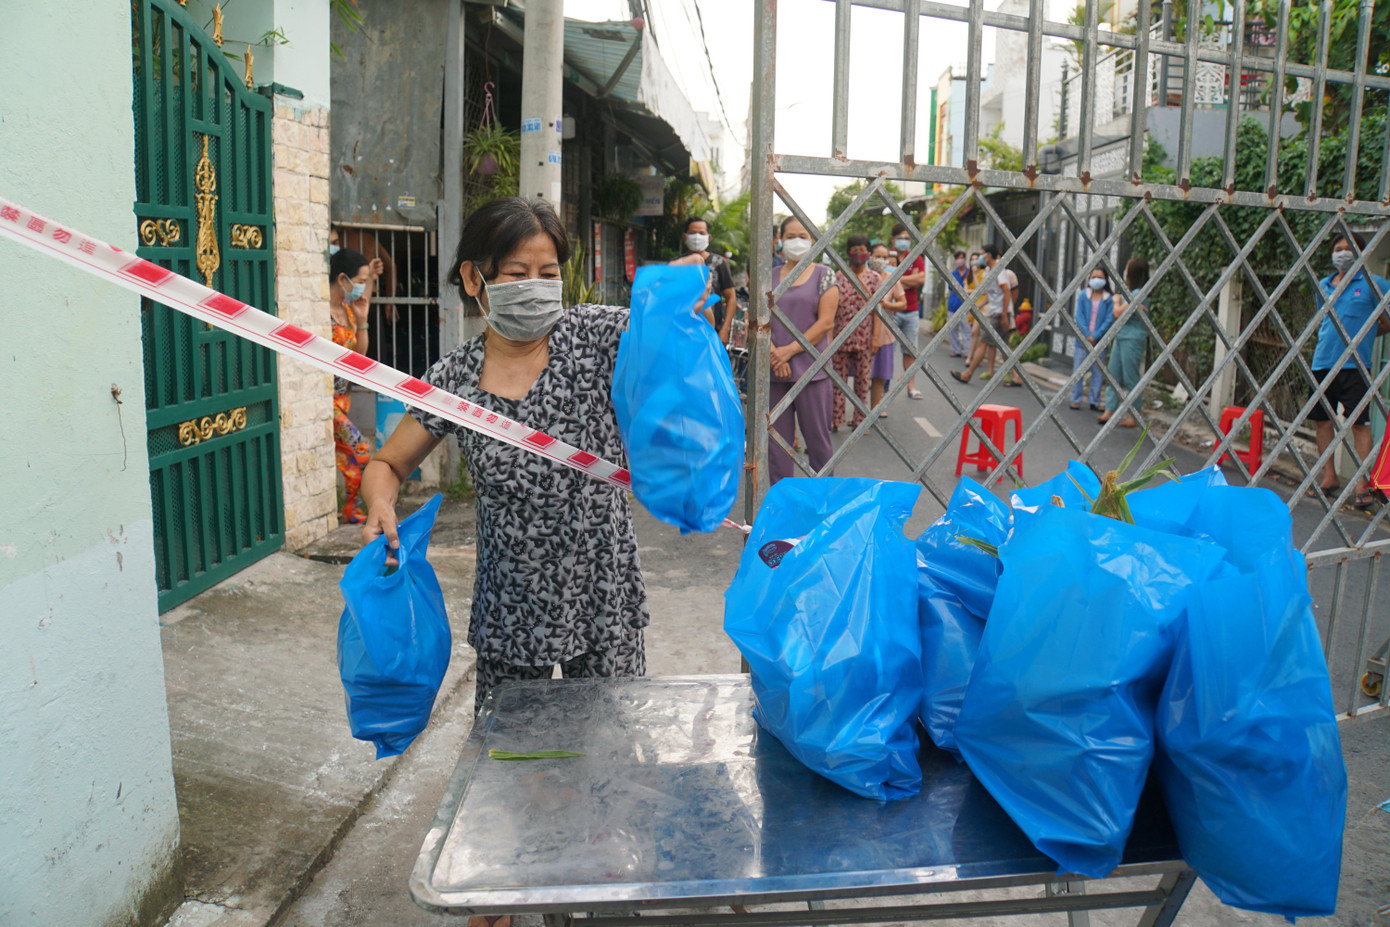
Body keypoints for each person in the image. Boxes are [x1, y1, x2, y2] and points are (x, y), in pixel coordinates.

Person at [361, 197, 651, 734]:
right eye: (518, 274)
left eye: (548, 273)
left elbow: (673, 337)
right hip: (511, 612)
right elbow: (387, 463)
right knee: (515, 770)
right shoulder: (455, 379)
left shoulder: (596, 336)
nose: (536, 287)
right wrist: (380, 502)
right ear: (476, 278)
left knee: (612, 759)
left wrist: (681, 302)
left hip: (603, 598)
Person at [1309, 233, 1390, 507]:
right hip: (1322, 362)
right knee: (1322, 421)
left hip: (1356, 366)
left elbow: (1387, 319)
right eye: (1338, 249)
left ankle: (1362, 483)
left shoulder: (1373, 284)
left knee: (1359, 424)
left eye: (1348, 248)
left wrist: (1366, 335)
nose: (1342, 253)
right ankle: (1329, 478)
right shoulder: (1324, 284)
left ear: (1361, 252)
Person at [769, 217, 838, 482]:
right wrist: (775, 354)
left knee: (818, 444)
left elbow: (825, 323)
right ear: (780, 239)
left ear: (812, 240)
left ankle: (823, 505)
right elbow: (758, 321)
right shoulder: (770, 276)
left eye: (803, 236)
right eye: (790, 236)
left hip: (812, 372)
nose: (796, 241)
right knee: (777, 446)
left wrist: (787, 351)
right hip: (775, 371)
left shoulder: (824, 274)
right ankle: (782, 506)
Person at [329, 249, 374, 524]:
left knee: (350, 457)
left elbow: (360, 357)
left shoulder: (346, 310)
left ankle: (349, 510)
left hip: (342, 401)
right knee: (361, 449)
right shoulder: (320, 311)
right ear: (342, 278)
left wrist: (362, 319)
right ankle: (351, 511)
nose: (362, 287)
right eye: (360, 280)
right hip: (327, 403)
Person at [831, 235, 881, 430]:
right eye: (855, 250)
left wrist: (876, 338)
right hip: (840, 338)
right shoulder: (838, 277)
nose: (858, 254)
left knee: (862, 381)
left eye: (862, 249)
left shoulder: (874, 279)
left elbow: (878, 311)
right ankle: (837, 420)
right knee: (838, 382)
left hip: (865, 338)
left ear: (868, 252)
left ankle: (860, 420)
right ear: (849, 253)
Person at [950, 244, 1012, 385]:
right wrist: (975, 307)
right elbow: (989, 295)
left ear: (989, 255)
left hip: (998, 314)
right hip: (995, 312)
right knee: (1005, 346)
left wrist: (1004, 315)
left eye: (983, 254)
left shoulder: (999, 270)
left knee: (983, 343)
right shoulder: (989, 271)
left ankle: (968, 374)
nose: (980, 258)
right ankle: (1017, 376)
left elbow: (1006, 291)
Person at [1099, 257, 1150, 428]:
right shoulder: (1132, 293)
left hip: (1132, 339)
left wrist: (1116, 302)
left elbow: (1118, 313)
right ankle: (1109, 410)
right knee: (1113, 374)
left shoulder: (1139, 293)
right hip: (1122, 337)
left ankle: (1135, 416)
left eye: (1127, 268)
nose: (1125, 272)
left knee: (1130, 378)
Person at [1069, 266, 1116, 411]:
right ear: (1089, 279)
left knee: (1098, 372)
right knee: (1079, 370)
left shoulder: (1109, 299)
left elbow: (1109, 320)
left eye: (1100, 278)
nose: (1096, 280)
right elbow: (1079, 317)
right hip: (1082, 341)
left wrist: (1095, 336)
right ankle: (1075, 399)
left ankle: (1094, 400)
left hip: (1099, 341)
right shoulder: (1083, 295)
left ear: (1106, 280)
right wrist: (1087, 335)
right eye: (1094, 277)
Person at [890, 223, 927, 399]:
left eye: (907, 238)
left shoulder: (915, 257)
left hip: (911, 310)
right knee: (886, 350)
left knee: (910, 352)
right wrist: (908, 280)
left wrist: (896, 279)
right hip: (892, 309)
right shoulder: (887, 256)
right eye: (901, 237)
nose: (904, 241)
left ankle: (911, 386)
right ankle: (883, 391)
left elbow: (921, 279)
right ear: (893, 239)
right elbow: (884, 278)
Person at [683, 217, 736, 336]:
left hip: (712, 333)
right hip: (682, 332)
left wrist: (725, 329)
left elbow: (731, 297)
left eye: (701, 233)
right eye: (692, 233)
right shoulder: (677, 264)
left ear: (709, 237)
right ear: (684, 237)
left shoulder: (719, 263)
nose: (697, 237)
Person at [946, 250, 971, 358]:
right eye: (958, 258)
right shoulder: (953, 274)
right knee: (953, 330)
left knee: (966, 330)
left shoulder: (970, 273)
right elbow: (950, 290)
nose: (960, 260)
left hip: (966, 306)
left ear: (965, 259)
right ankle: (956, 350)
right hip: (953, 305)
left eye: (962, 258)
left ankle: (968, 352)